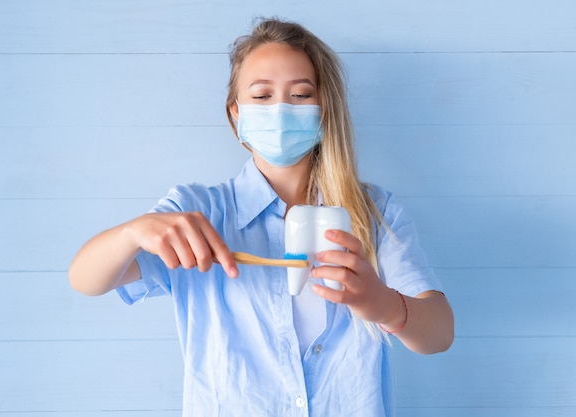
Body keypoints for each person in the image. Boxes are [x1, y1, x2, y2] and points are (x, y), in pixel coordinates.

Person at [69, 17, 454, 417]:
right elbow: (84, 279)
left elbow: (440, 333)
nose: (281, 110)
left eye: (301, 95)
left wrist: (383, 304)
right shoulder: (197, 212)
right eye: (262, 96)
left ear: (325, 110)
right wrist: (134, 232)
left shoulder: (374, 212)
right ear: (236, 114)